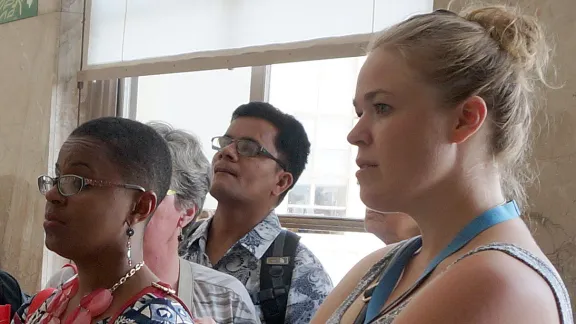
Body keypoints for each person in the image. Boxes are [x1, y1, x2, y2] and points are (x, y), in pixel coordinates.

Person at [312, 5, 572, 324]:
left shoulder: (494, 281)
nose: (355, 135)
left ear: (465, 120)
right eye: (359, 112)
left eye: (382, 107)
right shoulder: (380, 266)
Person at [45, 122, 260, 323]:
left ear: (186, 212)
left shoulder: (226, 298)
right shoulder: (65, 286)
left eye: (157, 192)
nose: (54, 195)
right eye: (61, 178)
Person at [16, 117, 194, 323]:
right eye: (58, 178)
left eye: (78, 182)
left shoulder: (157, 318)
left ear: (140, 206)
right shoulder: (42, 307)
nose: (52, 195)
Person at [180, 102, 334, 324]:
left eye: (248, 148)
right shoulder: (176, 239)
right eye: (226, 142)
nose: (226, 152)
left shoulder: (301, 273)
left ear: (281, 181)